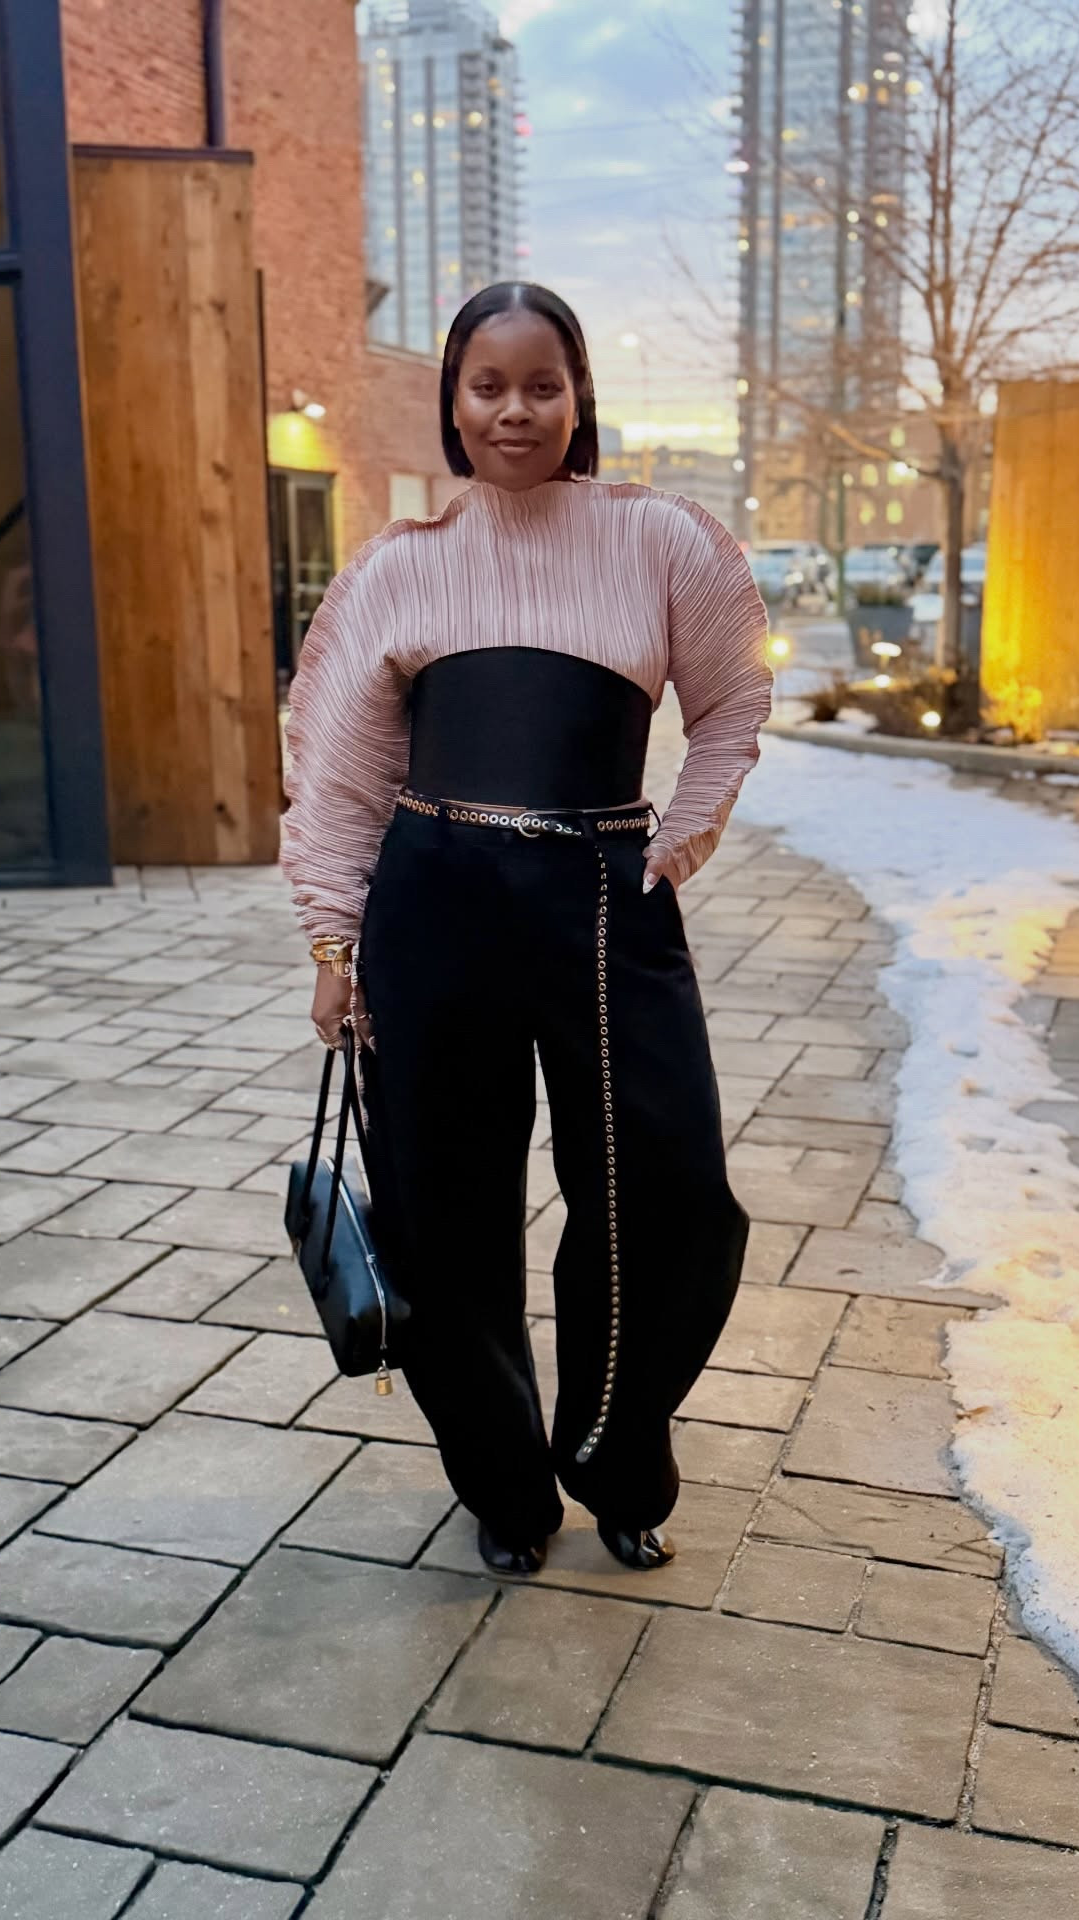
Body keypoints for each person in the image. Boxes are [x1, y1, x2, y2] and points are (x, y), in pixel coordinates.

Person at [281, 282, 772, 1577]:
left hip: (606, 902)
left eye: (540, 385)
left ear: (578, 395)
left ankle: (618, 1456)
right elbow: (339, 776)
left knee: (668, 1190)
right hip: (434, 902)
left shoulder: (660, 542)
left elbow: (731, 702)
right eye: (487, 386)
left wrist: (682, 833)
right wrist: (334, 943)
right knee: (443, 1207)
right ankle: (503, 1488)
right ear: (452, 400)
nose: (515, 410)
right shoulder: (401, 567)